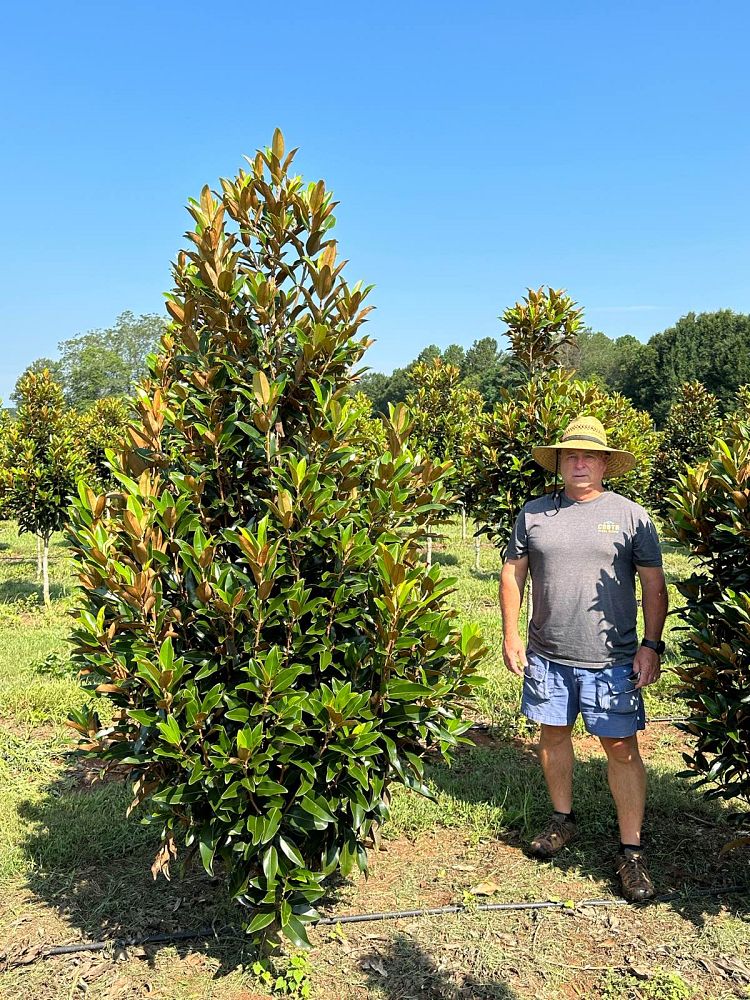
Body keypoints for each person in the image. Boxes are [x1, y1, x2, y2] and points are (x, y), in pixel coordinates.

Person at [500, 415, 668, 901]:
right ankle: (561, 820)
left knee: (621, 748)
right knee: (552, 735)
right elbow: (513, 575)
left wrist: (650, 644)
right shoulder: (533, 514)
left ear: (604, 464)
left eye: (588, 455)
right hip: (547, 655)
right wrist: (511, 635)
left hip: (612, 659)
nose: (578, 462)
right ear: (558, 463)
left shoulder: (632, 516)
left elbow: (653, 585)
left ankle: (631, 851)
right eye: (570, 455)